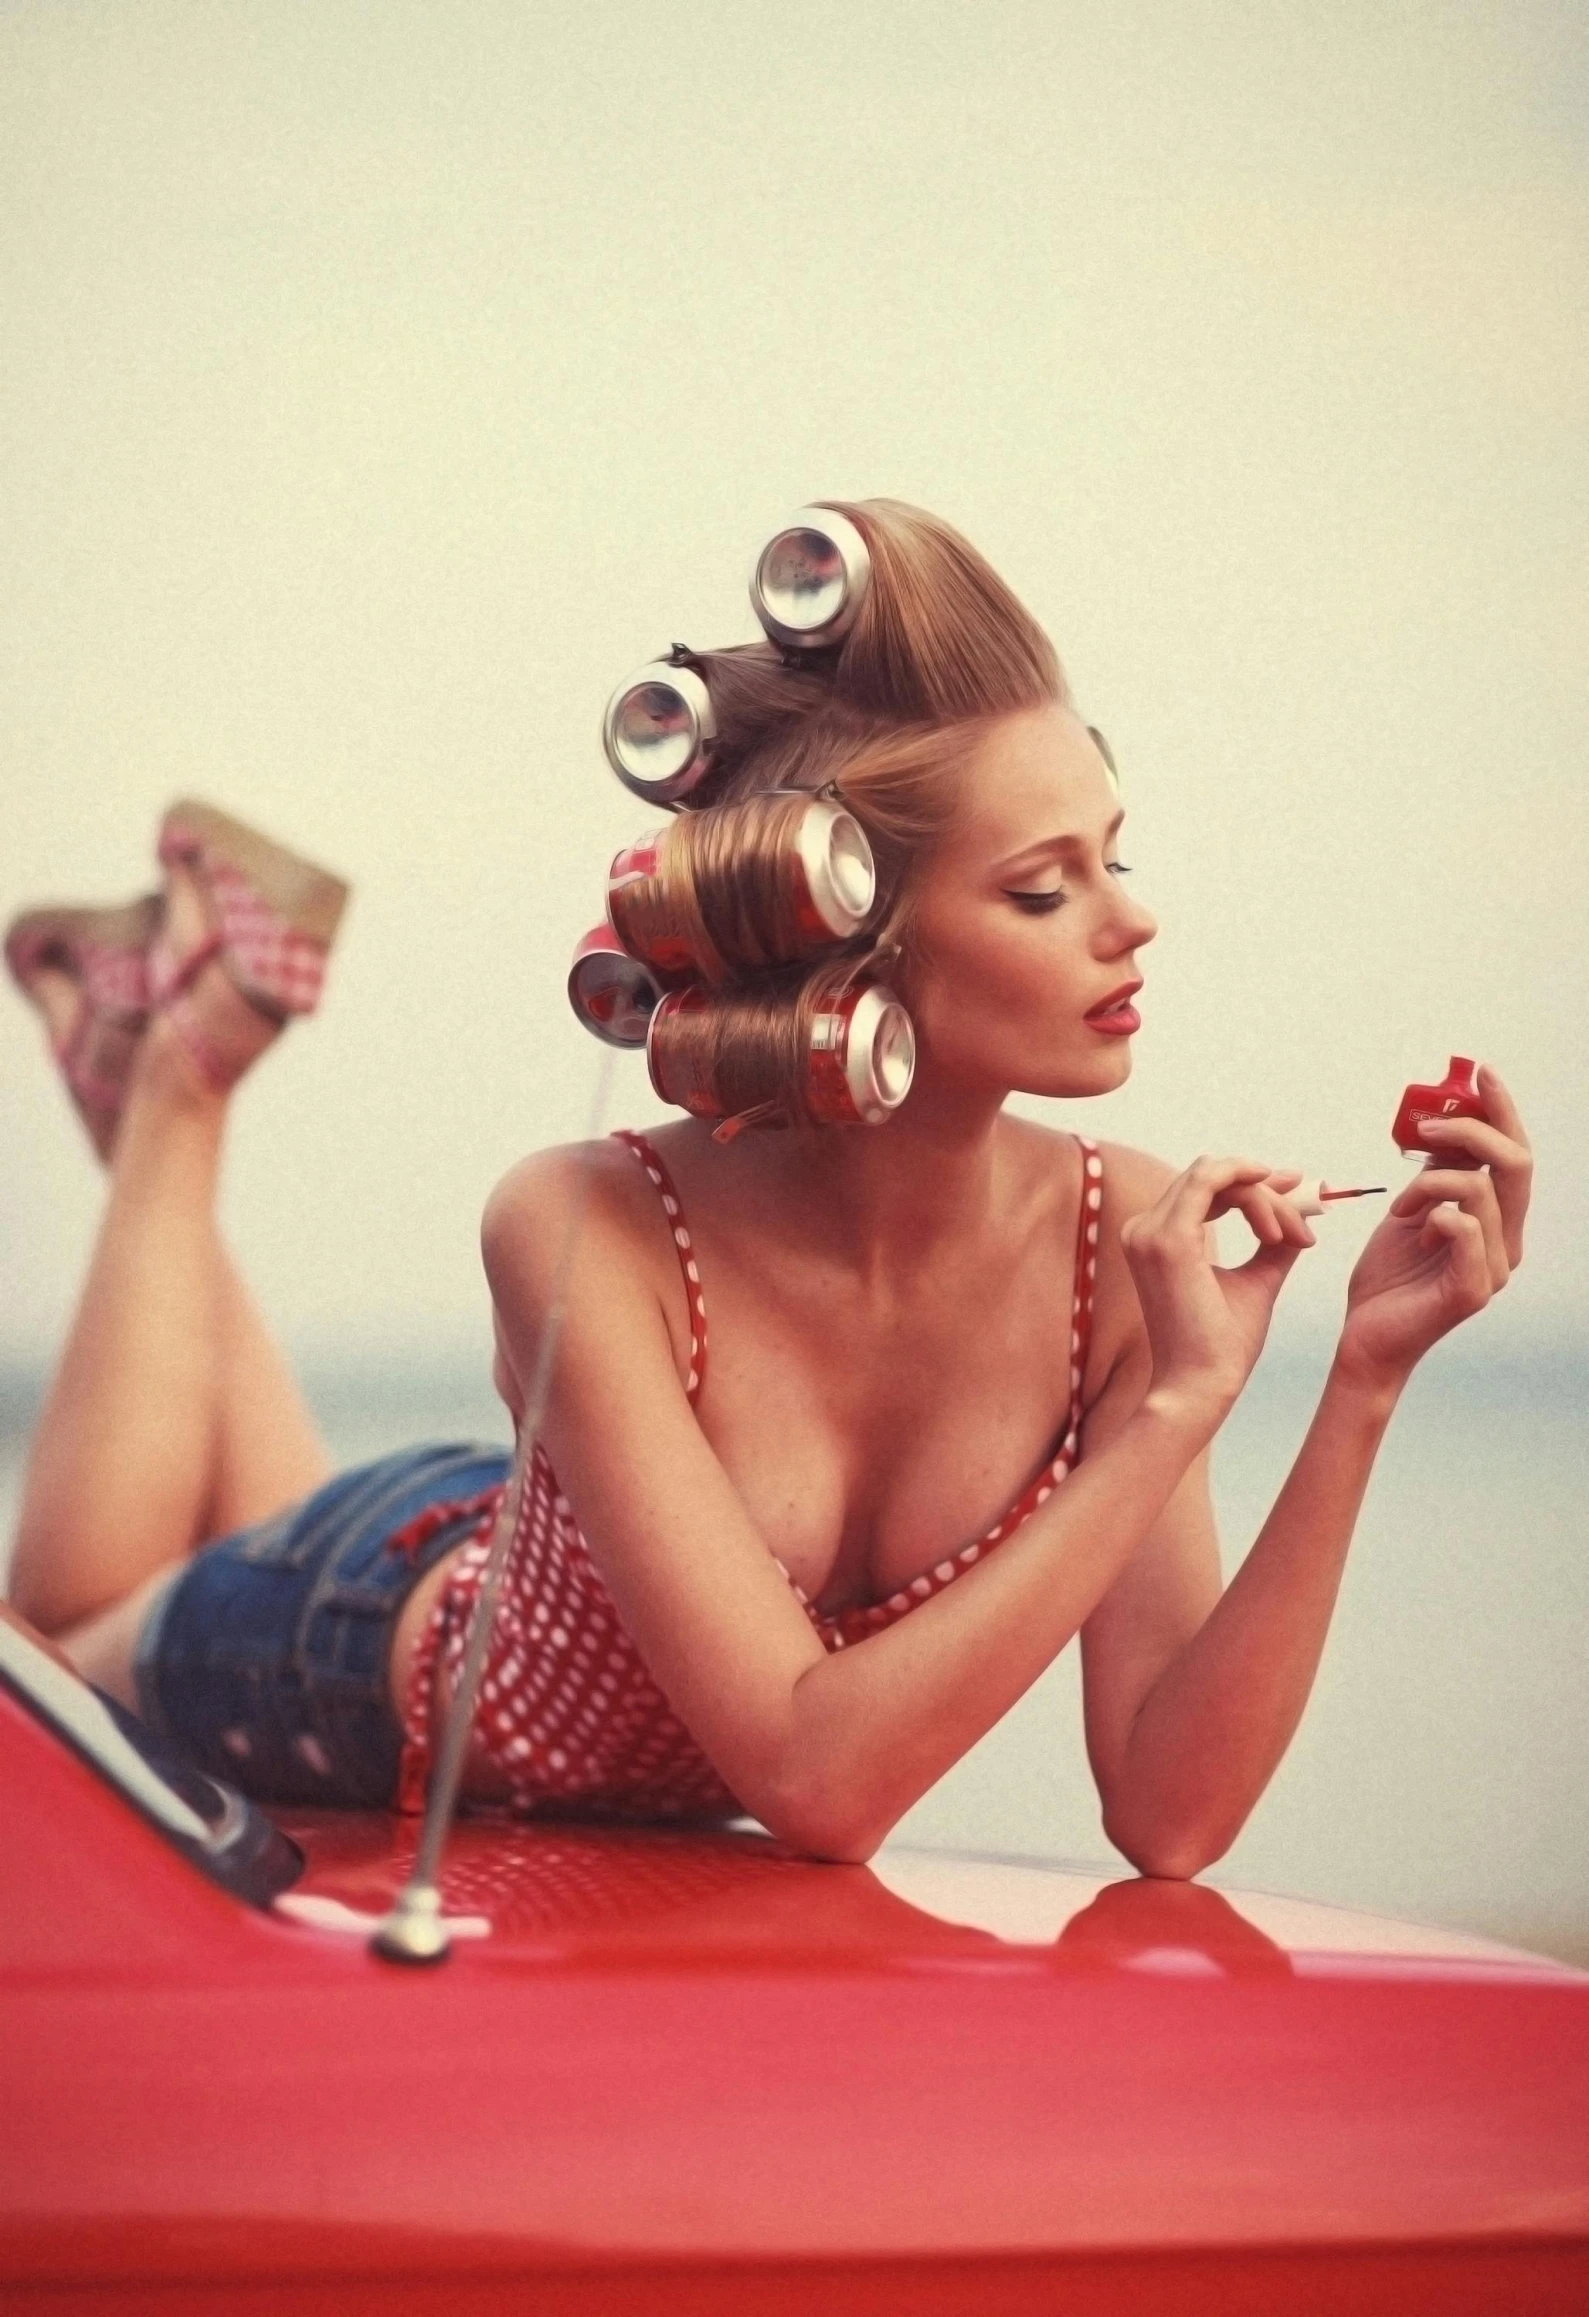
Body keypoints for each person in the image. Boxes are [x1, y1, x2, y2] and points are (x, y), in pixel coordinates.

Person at [4, 499, 1532, 1872]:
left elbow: (1170, 1812)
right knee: (45, 1660)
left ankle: (150, 1023)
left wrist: (1361, 1383)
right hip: (347, 1650)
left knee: (246, 1531)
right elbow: (816, 1779)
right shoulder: (580, 1222)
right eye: (1043, 887)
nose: (1129, 923)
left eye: (1116, 858)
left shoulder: (1112, 1249)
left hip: (547, 1540)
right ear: (865, 942)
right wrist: (1176, 1416)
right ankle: (179, 1084)